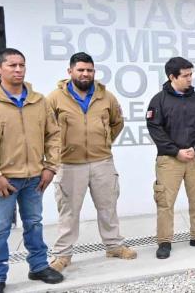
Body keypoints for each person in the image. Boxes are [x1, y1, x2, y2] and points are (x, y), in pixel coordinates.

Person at [0, 48, 63, 293]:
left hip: (34, 178)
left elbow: (53, 135)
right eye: (12, 65)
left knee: (34, 223)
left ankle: (39, 266)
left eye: (22, 65)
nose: (18, 69)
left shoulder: (38, 100)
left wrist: (50, 167)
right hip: (3, 180)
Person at [47, 52, 136, 272]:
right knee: (68, 212)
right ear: (70, 72)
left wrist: (103, 143)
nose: (85, 74)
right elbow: (47, 130)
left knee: (108, 207)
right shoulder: (54, 98)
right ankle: (62, 255)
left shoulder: (106, 96)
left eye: (89, 70)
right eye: (81, 70)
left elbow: (117, 123)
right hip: (69, 164)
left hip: (102, 162)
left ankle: (114, 246)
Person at [146, 57, 195, 259]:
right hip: (170, 160)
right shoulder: (158, 101)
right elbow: (155, 129)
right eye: (185, 76)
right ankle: (165, 241)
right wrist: (176, 151)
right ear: (172, 77)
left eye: (191, 74)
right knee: (165, 202)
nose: (190, 79)